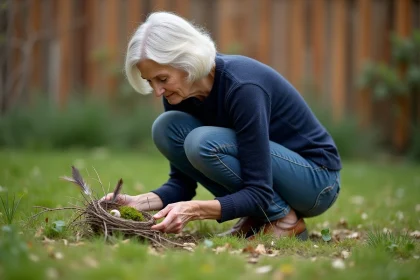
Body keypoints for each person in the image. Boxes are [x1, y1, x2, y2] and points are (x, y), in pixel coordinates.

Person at [102, 11, 342, 240]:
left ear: (186, 61)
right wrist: (138, 202)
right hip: (270, 181)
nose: (157, 91)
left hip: (317, 181)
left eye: (162, 79)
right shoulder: (178, 95)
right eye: (150, 81)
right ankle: (262, 218)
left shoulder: (242, 86)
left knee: (203, 143)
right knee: (165, 127)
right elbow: (182, 184)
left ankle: (285, 220)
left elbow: (259, 190)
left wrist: (194, 210)